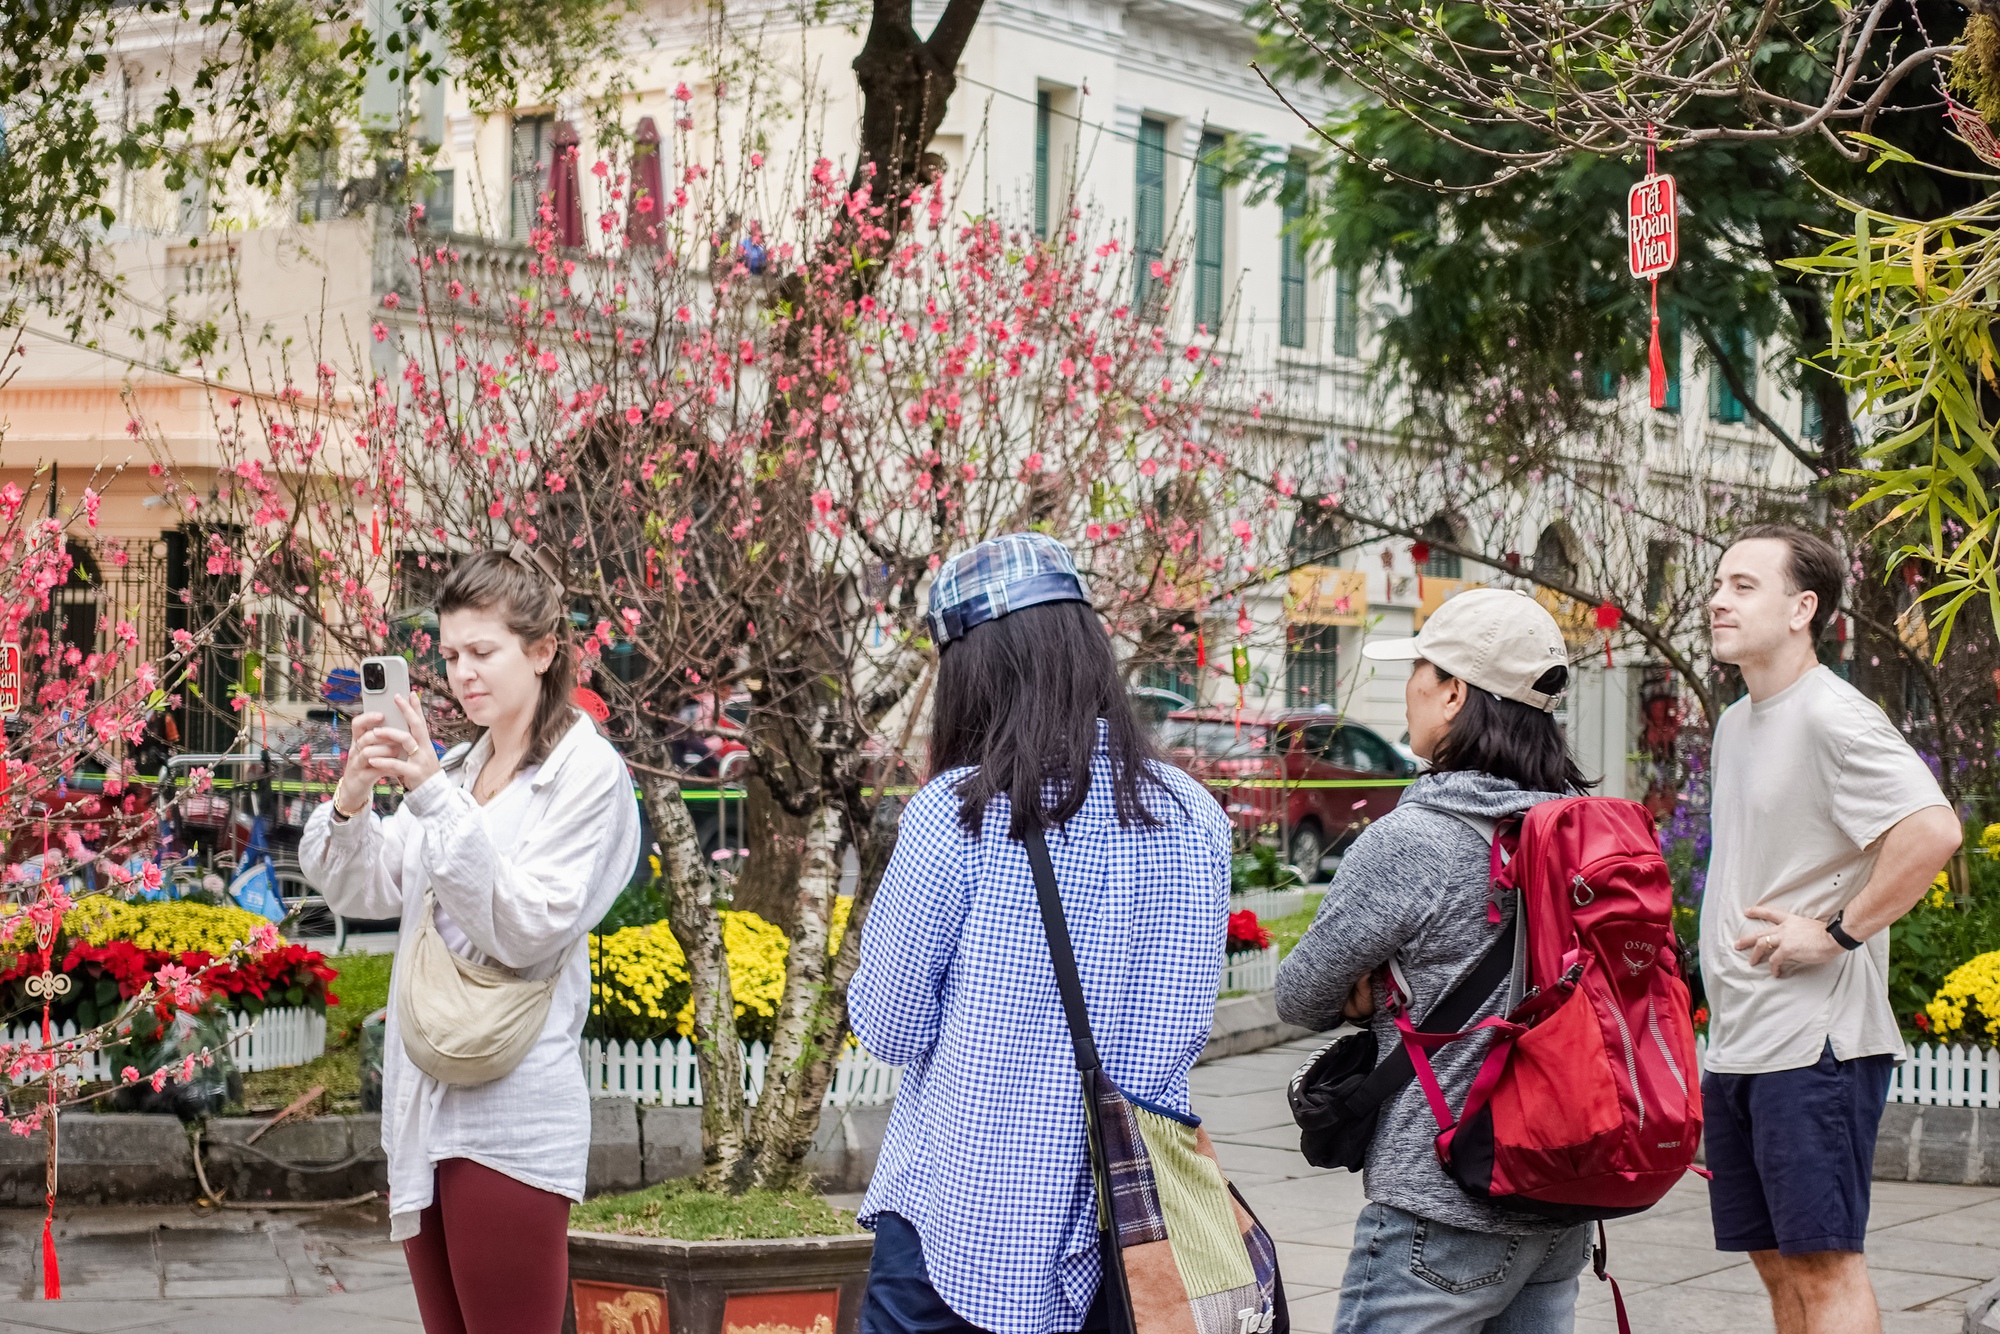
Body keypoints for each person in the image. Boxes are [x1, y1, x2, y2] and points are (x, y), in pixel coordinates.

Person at [848, 532, 1232, 1334]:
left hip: (959, 1226)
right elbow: (1184, 1027)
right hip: (1129, 1235)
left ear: (972, 675)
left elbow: (887, 1025)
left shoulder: (958, 813)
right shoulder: (1193, 815)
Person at [300, 547, 639, 1334]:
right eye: (450, 655)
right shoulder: (457, 766)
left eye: (482, 652)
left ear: (543, 650)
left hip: (511, 1102)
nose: (462, 674)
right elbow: (368, 886)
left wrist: (425, 793)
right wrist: (354, 794)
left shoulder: (587, 775)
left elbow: (527, 926)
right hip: (422, 1099)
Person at [1275, 588, 1596, 1333]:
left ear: (1452, 693)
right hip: (1561, 1200)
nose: (1411, 687)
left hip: (1444, 1203)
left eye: (1422, 668)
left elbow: (1299, 994)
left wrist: (1371, 993)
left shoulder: (1415, 839)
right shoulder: (1574, 834)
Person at [1702, 525, 1960, 1334]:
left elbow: (1933, 832)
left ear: (1801, 608)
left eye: (1745, 585)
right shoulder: (1737, 722)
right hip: (1741, 1037)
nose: (1718, 599)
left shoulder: (1832, 715)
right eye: (1719, 583)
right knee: (1779, 1268)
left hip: (1814, 1045)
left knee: (1824, 1267)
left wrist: (1837, 934)